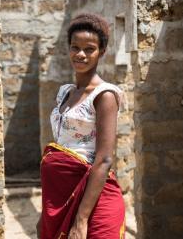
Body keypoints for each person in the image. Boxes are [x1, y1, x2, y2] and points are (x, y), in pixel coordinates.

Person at [37, 13, 126, 239]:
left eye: (89, 49)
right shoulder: (65, 93)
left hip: (94, 200)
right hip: (61, 196)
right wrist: (44, 213)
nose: (81, 54)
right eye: (75, 47)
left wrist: (81, 219)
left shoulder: (104, 95)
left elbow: (104, 159)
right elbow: (61, 146)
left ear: (102, 52)